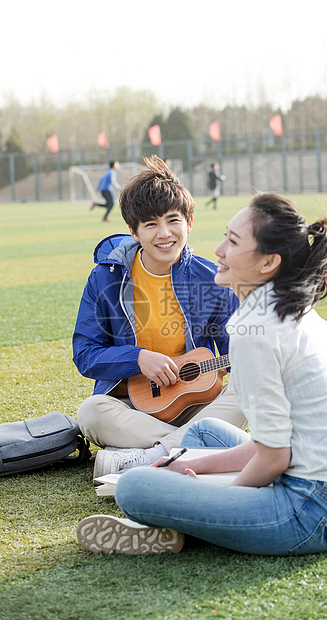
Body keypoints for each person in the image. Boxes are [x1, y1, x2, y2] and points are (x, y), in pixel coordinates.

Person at [77, 192, 327, 557]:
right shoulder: (280, 307)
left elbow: (273, 458)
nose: (218, 250)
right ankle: (179, 494)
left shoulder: (256, 330)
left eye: (233, 241)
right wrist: (193, 463)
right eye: (224, 235)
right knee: (202, 435)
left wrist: (217, 492)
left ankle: (178, 514)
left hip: (317, 508)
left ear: (268, 262)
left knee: (134, 488)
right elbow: (273, 444)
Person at [73, 156, 247, 480]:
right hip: (134, 408)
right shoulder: (105, 279)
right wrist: (137, 359)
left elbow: (237, 352)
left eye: (173, 220)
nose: (164, 234)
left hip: (198, 406)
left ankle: (154, 455)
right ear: (133, 231)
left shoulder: (212, 279)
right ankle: (188, 450)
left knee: (249, 391)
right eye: (151, 224)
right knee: (91, 412)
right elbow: (85, 354)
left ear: (189, 222)